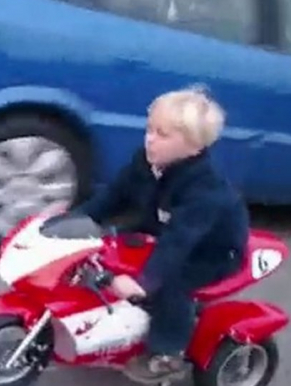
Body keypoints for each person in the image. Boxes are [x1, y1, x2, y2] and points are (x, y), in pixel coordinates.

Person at [70, 85, 250, 379]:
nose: (150, 139)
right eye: (150, 129)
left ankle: (168, 351)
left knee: (173, 282)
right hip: (162, 225)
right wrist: (74, 222)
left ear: (194, 147)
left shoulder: (204, 189)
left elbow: (179, 242)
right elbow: (115, 195)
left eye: (162, 135)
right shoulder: (147, 161)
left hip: (211, 249)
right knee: (108, 246)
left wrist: (146, 282)